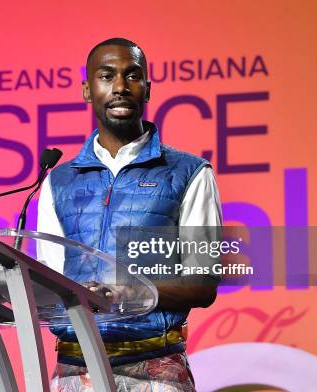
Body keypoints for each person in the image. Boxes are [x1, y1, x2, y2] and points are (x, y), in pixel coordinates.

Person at [37, 38, 222, 391]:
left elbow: (203, 283)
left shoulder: (190, 172)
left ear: (147, 89)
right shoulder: (57, 181)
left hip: (155, 367)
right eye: (107, 76)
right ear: (87, 90)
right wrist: (1, 294)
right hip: (75, 371)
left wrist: (131, 291)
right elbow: (51, 284)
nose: (120, 87)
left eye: (132, 76)